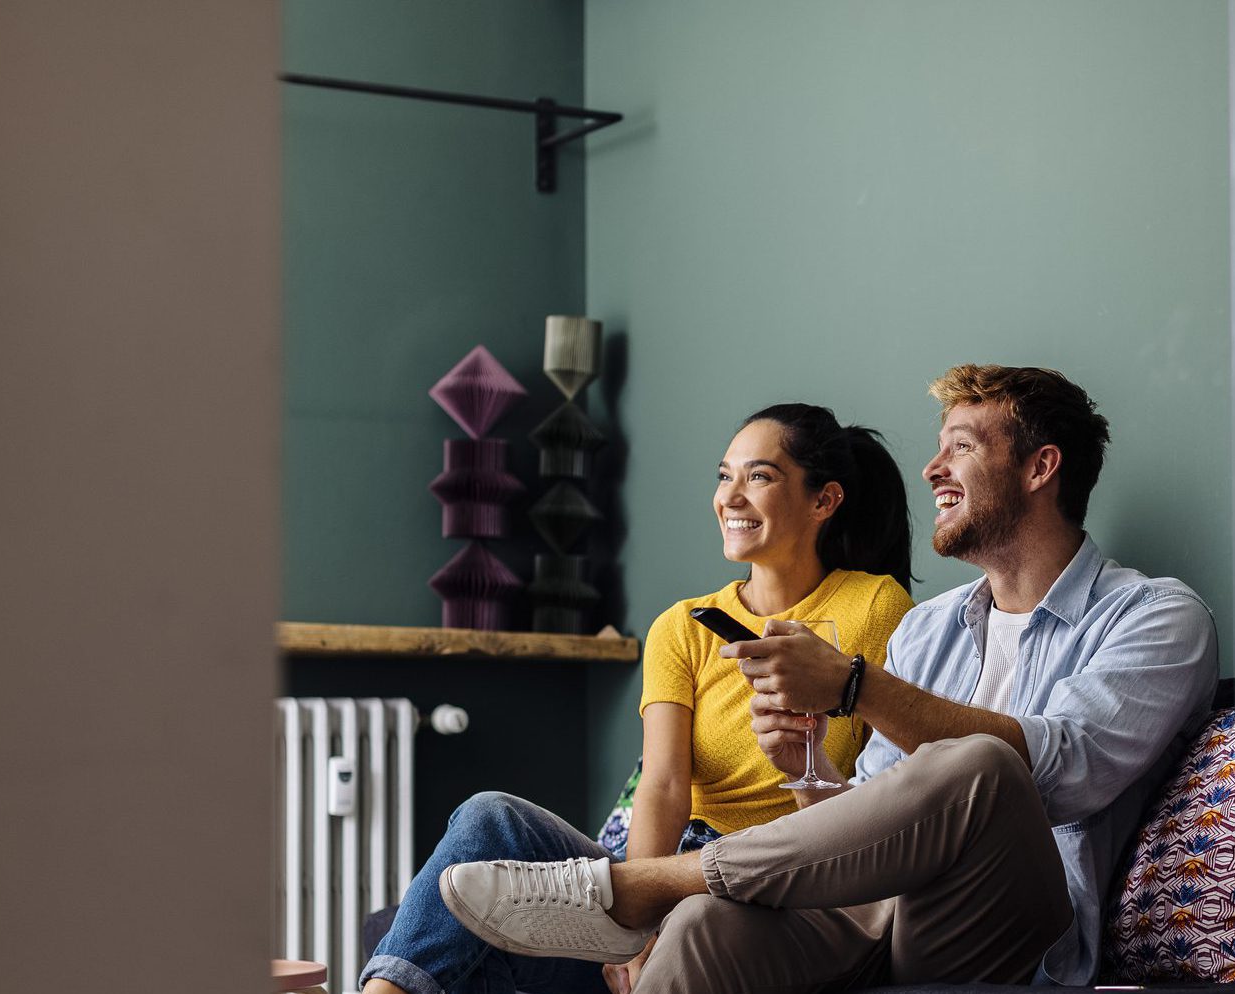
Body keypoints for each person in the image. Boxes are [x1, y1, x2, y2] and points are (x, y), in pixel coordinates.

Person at [440, 364, 1219, 992]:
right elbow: (877, 807)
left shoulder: (1155, 616)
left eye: (962, 448)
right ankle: (664, 899)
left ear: (1042, 467)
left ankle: (643, 886)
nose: (932, 467)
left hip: (1011, 929)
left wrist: (853, 687)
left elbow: (1062, 770)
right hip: (877, 916)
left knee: (984, 762)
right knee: (707, 927)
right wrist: (807, 769)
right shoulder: (931, 626)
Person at [360, 403, 916, 994]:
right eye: (724, 475)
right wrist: (638, 929)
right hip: (670, 869)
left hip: (775, 873)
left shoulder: (874, 608)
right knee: (486, 820)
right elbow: (664, 785)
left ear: (824, 501)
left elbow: (890, 780)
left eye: (759, 476)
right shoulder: (682, 627)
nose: (730, 496)